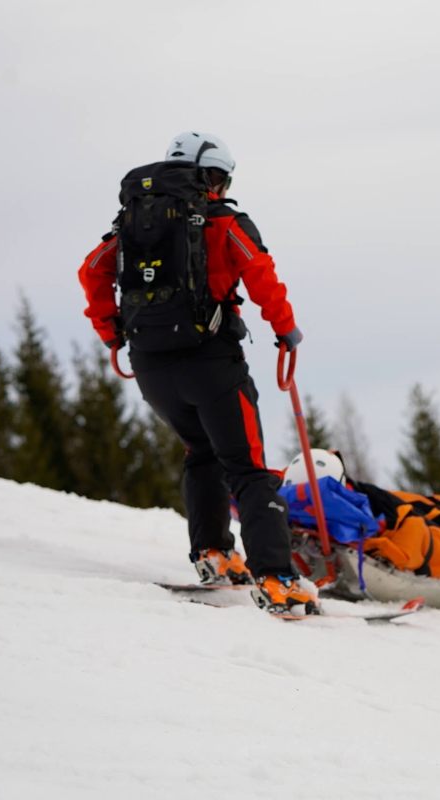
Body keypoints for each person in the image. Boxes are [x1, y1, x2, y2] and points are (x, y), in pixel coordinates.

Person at [78, 131, 314, 613]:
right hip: (212, 364)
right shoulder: (223, 221)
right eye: (223, 178)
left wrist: (111, 332)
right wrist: (285, 330)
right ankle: (277, 579)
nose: (225, 188)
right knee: (248, 469)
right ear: (211, 175)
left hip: (151, 368)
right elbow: (260, 273)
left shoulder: (129, 224)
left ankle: (214, 553)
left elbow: (92, 272)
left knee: (201, 453)